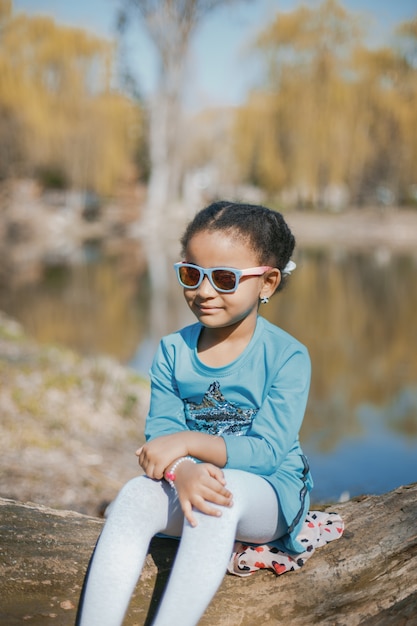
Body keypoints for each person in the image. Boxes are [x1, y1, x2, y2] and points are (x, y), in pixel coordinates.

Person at [76, 201, 313, 626]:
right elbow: (161, 433)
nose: (204, 291)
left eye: (224, 279)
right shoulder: (172, 350)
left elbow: (267, 453)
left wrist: (186, 445)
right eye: (191, 274)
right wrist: (180, 468)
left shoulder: (287, 356)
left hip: (268, 492)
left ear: (268, 283)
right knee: (131, 496)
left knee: (218, 500)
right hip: (191, 481)